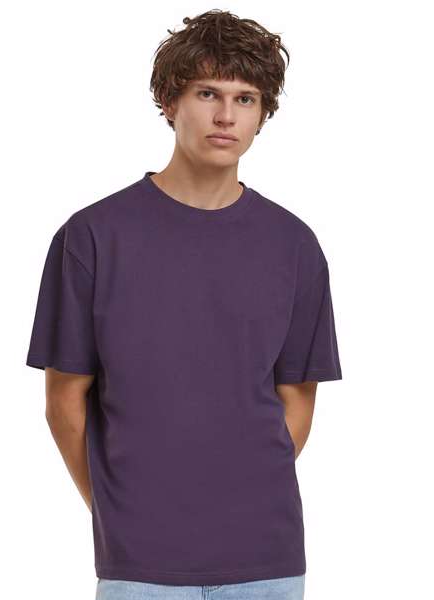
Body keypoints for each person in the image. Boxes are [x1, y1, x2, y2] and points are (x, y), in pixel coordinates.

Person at [25, 9, 342, 600]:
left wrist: (237, 498)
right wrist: (121, 512)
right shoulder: (92, 237)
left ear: (263, 114)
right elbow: (63, 402)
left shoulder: (294, 245)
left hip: (268, 560)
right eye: (207, 93)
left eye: (246, 99)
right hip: (140, 566)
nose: (226, 116)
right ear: (170, 101)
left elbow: (297, 401)